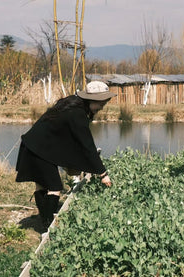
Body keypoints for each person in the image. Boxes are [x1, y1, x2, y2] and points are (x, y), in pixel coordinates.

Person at [15, 81, 116, 228]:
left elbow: (71, 139)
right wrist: (103, 174)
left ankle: (44, 220)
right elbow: (87, 146)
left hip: (36, 145)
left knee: (42, 185)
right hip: (38, 149)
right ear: (92, 100)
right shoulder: (77, 114)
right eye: (101, 104)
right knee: (55, 187)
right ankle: (48, 226)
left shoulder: (74, 104)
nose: (102, 107)